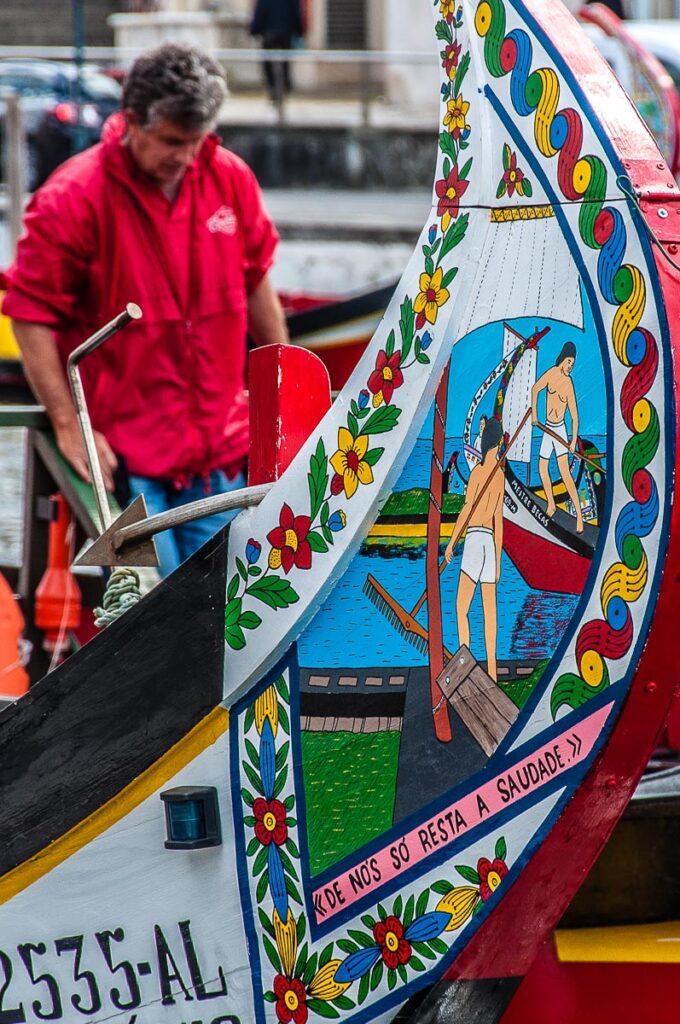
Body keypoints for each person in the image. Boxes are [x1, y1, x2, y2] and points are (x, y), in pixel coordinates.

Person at [3, 43, 289, 577]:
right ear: (131, 120)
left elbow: (257, 285)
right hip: (129, 468)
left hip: (219, 461)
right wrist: (68, 423)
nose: (185, 156)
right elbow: (30, 314)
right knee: (153, 616)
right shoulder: (73, 195)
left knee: (239, 611)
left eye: (197, 141)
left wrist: (285, 399)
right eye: (172, 142)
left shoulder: (229, 177)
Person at [445, 417, 504, 682]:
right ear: (500, 442)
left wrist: (452, 541)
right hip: (490, 543)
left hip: (474, 539)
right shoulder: (500, 476)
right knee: (489, 611)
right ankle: (492, 670)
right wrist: (499, 560)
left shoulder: (479, 473)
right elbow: (499, 520)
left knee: (461, 607)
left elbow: (467, 510)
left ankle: (465, 665)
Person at [531, 341, 583, 533]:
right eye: (569, 361)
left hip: (560, 430)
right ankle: (551, 504)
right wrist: (535, 416)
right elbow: (535, 389)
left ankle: (579, 515)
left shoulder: (569, 384)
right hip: (547, 430)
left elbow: (575, 417)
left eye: (573, 363)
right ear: (563, 359)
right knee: (542, 467)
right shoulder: (552, 374)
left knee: (564, 473)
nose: (571, 366)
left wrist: (572, 441)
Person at [250, 0, 304, 103]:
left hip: (268, 34)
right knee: (286, 60)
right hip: (285, 33)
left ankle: (271, 85)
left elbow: (259, 13)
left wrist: (254, 31)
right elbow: (296, 14)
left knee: (266, 60)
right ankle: (286, 84)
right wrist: (299, 31)